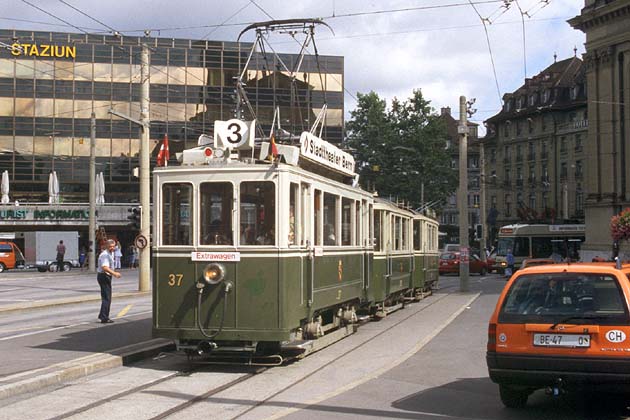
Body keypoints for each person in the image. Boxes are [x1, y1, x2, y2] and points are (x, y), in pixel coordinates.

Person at [97, 239, 121, 324]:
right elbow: (105, 267)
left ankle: (102, 315)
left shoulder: (111, 253)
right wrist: (115, 273)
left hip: (106, 276)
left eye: (113, 246)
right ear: (106, 246)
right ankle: (104, 317)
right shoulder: (105, 255)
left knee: (107, 297)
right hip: (104, 276)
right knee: (107, 298)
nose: (112, 248)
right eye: (110, 246)